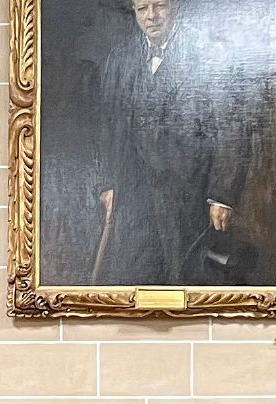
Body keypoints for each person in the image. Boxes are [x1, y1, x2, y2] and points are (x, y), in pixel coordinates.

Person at [86, 0, 257, 287]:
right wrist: (107, 183)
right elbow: (108, 127)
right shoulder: (121, 60)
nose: (151, 16)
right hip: (134, 196)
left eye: (160, 6)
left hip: (191, 195)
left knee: (186, 278)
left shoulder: (206, 54)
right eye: (143, 9)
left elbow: (232, 127)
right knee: (137, 276)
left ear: (175, 6)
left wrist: (222, 195)